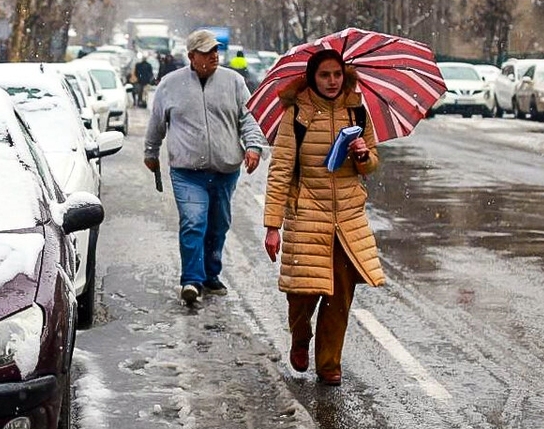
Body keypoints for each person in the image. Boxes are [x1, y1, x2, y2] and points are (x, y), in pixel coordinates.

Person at [261, 48, 386, 385]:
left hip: (347, 217)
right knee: (301, 293)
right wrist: (273, 225)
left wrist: (362, 155)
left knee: (340, 294)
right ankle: (300, 337)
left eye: (337, 75)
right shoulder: (297, 114)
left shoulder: (357, 110)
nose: (332, 81)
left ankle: (329, 363)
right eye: (324, 75)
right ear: (312, 78)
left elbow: (372, 164)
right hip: (306, 214)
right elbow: (281, 169)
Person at [144, 29, 266, 305]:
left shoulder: (233, 82)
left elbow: (248, 118)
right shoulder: (169, 84)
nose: (214, 56)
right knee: (194, 222)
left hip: (225, 170)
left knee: (218, 225)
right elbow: (156, 124)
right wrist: (150, 152)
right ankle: (192, 280)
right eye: (207, 52)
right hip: (187, 171)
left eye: (216, 51)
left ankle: (211, 275)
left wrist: (254, 147)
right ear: (191, 56)